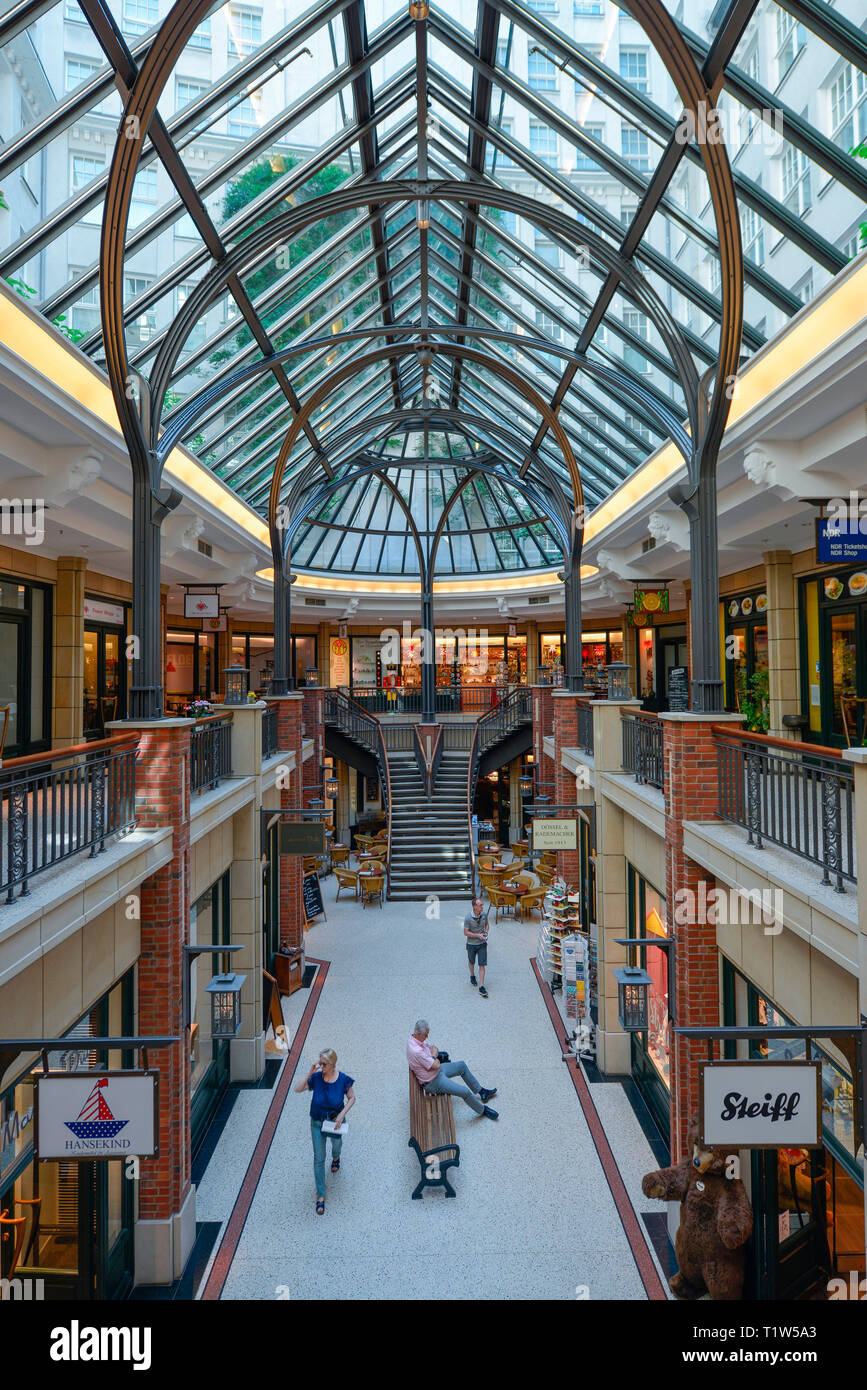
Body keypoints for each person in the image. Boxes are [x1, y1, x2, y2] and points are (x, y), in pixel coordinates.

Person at [294, 1048, 356, 1215]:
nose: (321, 1066)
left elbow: (352, 1098)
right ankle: (320, 1195)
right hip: (317, 1123)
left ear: (333, 1064)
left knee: (337, 1145)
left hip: (335, 1123)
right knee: (319, 1158)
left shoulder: (343, 1080)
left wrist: (342, 1114)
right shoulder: (316, 1078)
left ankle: (336, 1157)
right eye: (320, 1063)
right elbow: (297, 1089)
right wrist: (309, 1073)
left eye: (324, 1064)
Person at [406, 1019, 498, 1119]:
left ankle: (482, 1092)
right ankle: (483, 1110)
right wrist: (433, 1056)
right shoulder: (416, 1051)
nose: (427, 1037)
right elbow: (436, 1062)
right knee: (465, 1092)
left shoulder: (416, 1039)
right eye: (425, 1035)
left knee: (461, 1066)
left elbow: (433, 1048)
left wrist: (433, 1056)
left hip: (436, 1071)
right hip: (433, 1082)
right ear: (419, 1033)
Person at [463, 896, 490, 997]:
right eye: (480, 905)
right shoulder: (468, 918)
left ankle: (481, 986)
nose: (482, 907)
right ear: (475, 907)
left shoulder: (484, 914)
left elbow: (487, 925)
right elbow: (465, 932)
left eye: (482, 904)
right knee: (471, 961)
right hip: (471, 944)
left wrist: (486, 933)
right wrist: (477, 935)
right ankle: (472, 975)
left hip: (482, 944)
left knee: (482, 964)